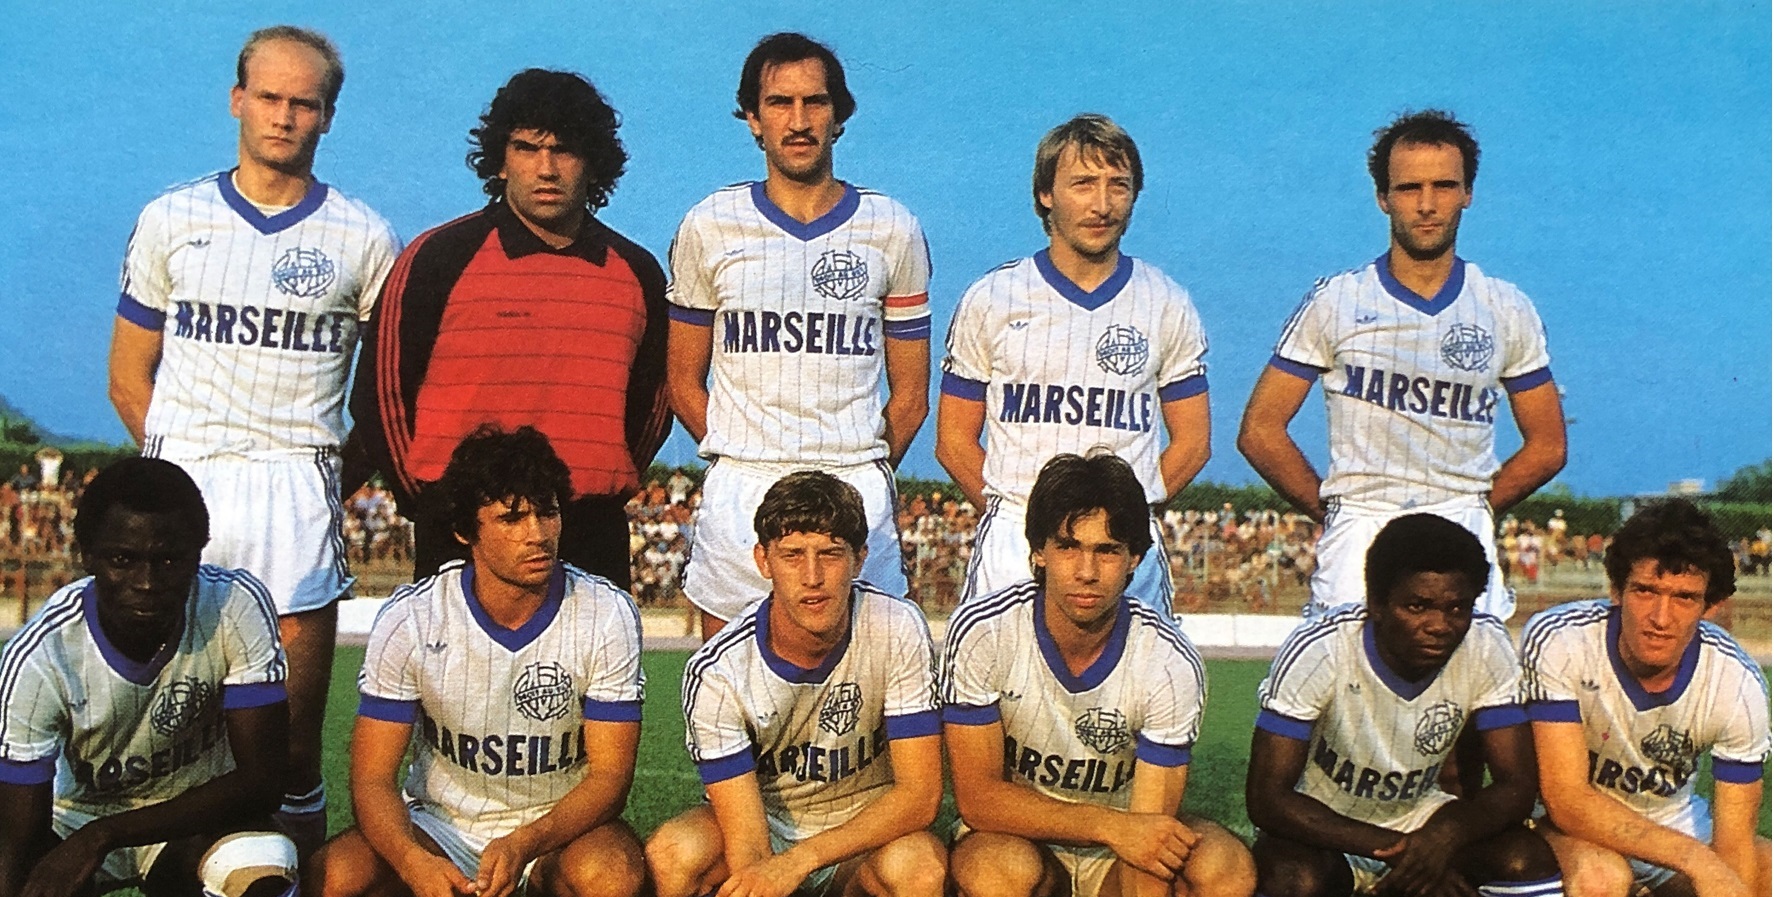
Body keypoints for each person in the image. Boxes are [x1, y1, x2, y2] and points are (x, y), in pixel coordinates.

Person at [108, 27, 399, 877]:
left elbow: (382, 401)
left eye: (304, 102)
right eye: (269, 97)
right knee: (170, 742)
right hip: (186, 489)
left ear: (328, 115)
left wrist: (321, 484)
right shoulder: (172, 219)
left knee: (290, 750)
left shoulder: (363, 236)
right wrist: (171, 490)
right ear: (237, 100)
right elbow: (128, 378)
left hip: (293, 493)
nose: (284, 116)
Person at [302, 427, 648, 897]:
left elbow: (610, 778)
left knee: (613, 881)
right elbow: (371, 780)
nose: (538, 534)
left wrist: (525, 843)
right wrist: (414, 863)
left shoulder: (604, 612)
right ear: (465, 531)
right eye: (512, 518)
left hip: (556, 828)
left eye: (548, 512)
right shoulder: (413, 617)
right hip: (443, 826)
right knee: (328, 890)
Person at [940, 452, 1252, 897]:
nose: (1087, 570)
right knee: (994, 881)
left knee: (1226, 877)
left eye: (1108, 550)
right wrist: (1111, 825)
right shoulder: (984, 634)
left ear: (1135, 558)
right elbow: (979, 797)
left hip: (1120, 858)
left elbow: (1151, 840)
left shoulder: (1167, 661)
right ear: (1038, 552)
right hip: (1021, 839)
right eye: (1069, 546)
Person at [0, 459, 299, 897]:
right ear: (86, 556)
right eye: (122, 559)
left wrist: (106, 837)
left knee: (262, 869)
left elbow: (263, 780)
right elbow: (12, 849)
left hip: (194, 816)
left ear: (199, 552)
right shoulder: (42, 656)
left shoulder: (234, 604)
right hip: (75, 821)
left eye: (169, 560)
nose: (146, 581)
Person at [645, 470, 948, 897]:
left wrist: (803, 862)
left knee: (922, 872)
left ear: (859, 558)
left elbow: (921, 796)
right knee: (672, 857)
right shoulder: (719, 671)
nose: (813, 576)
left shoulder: (897, 627)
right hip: (767, 829)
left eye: (830, 553)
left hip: (862, 833)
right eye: (793, 554)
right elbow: (747, 841)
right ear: (763, 561)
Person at [1243, 513, 1562, 897]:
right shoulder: (1322, 648)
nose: (1439, 625)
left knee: (1529, 867)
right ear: (1376, 602)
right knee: (1288, 877)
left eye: (1457, 608)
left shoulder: (1486, 645)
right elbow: (1268, 799)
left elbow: (1517, 786)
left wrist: (1444, 836)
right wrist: (1403, 851)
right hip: (1323, 822)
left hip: (1419, 815)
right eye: (1417, 606)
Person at [1237, 109, 1566, 621]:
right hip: (1360, 528)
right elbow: (1260, 429)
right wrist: (1333, 508)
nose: (1427, 204)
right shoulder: (1337, 301)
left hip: (1462, 528)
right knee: (1346, 672)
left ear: (1468, 193)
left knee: (1472, 673)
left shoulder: (1505, 307)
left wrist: (1476, 506)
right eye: (1410, 188)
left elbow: (1548, 443)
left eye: (1444, 186)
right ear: (1383, 197)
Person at [348, 69, 669, 588]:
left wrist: (599, 485)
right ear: (500, 160)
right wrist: (433, 504)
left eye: (565, 150)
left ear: (593, 162)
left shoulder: (639, 273)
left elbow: (654, 404)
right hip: (464, 528)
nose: (546, 168)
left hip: (590, 529)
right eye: (526, 148)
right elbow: (380, 396)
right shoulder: (437, 257)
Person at [666, 32, 932, 639]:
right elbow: (682, 379)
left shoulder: (892, 228)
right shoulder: (709, 225)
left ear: (839, 116)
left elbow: (912, 396)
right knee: (728, 680)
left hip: (853, 482)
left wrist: (860, 469)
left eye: (815, 101)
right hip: (743, 485)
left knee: (869, 680)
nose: (799, 120)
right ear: (753, 119)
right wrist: (739, 450)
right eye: (780, 103)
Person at [1519, 499, 1769, 897]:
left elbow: (1734, 848)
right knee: (1601, 879)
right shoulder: (1562, 639)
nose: (1660, 616)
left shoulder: (1736, 682)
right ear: (1616, 589)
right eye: (1645, 591)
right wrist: (1699, 862)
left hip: (1672, 826)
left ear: (1712, 606)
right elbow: (1567, 799)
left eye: (1684, 598)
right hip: (1564, 827)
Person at [936, 115, 1212, 614]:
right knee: (996, 667)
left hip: (1122, 549)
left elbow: (1193, 441)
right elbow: (954, 440)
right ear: (1046, 193)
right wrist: (1030, 521)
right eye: (1083, 184)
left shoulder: (1167, 302)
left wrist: (1127, 520)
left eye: (1118, 185)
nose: (1102, 204)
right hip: (1015, 543)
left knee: (1137, 667)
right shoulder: (992, 298)